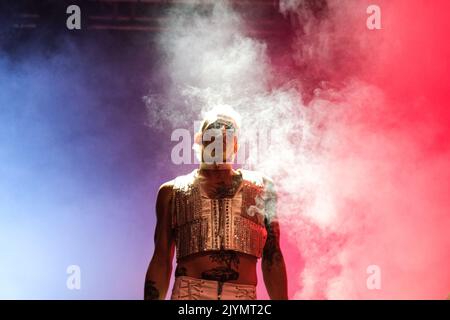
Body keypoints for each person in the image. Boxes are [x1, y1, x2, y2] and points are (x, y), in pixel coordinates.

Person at [144, 108, 288, 300]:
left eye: (227, 133)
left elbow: (273, 257)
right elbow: (161, 258)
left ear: (235, 145)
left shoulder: (263, 187)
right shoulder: (171, 191)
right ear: (199, 139)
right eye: (213, 131)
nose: (220, 137)